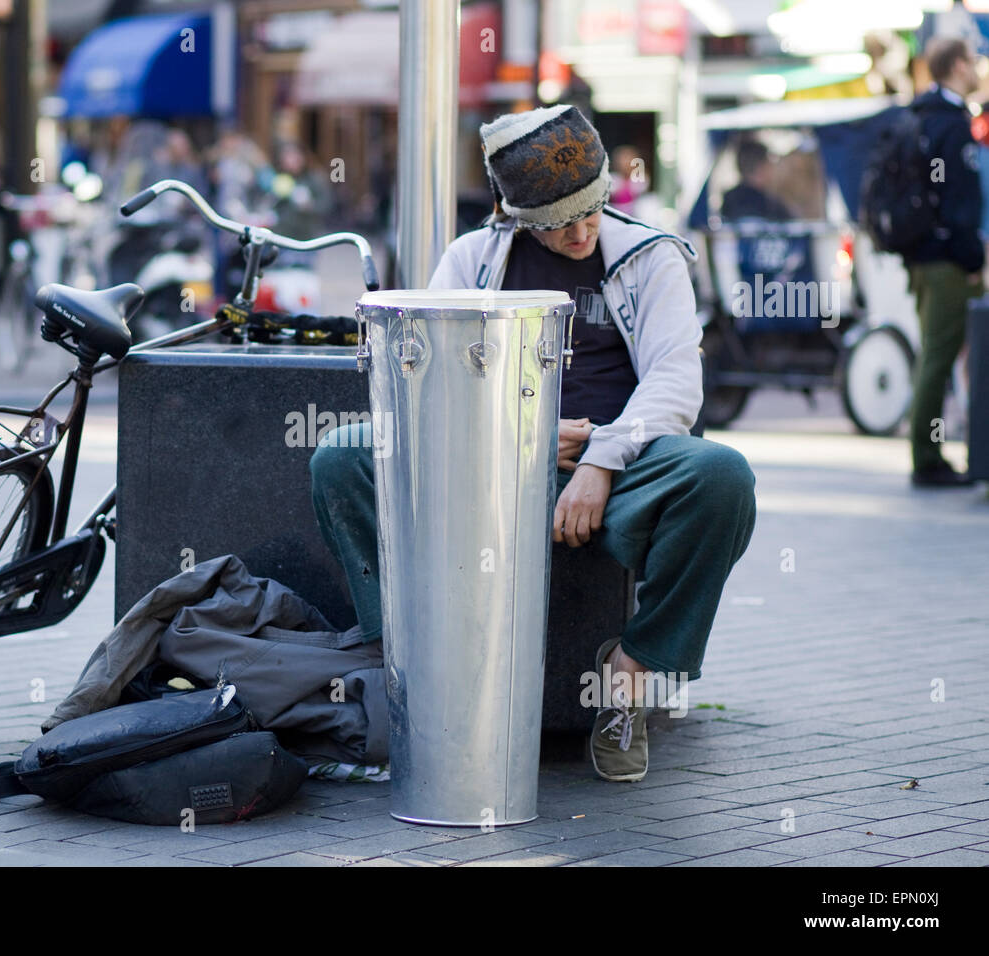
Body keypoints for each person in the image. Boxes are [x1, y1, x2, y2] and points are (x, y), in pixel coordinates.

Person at [308, 105, 757, 784]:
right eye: (558, 221)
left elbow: (675, 381)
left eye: (592, 208)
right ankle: (404, 667)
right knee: (343, 455)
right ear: (515, 214)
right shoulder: (470, 260)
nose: (581, 231)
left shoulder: (650, 256)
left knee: (721, 475)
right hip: (483, 465)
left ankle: (630, 678)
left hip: (617, 468)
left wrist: (602, 460)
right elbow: (426, 388)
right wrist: (524, 442)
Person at [904, 36, 985, 486]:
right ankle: (927, 457)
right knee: (940, 356)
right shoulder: (952, 124)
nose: (976, 69)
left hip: (921, 257)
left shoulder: (920, 115)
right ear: (956, 65)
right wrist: (971, 257)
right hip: (947, 262)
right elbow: (958, 202)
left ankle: (928, 451)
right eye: (972, 61)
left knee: (933, 353)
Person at [720, 140, 792, 221]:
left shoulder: (729, 199)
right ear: (761, 168)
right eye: (769, 164)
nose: (773, 170)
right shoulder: (766, 205)